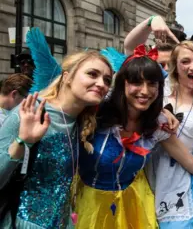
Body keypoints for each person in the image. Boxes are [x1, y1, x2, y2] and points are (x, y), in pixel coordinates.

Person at [74, 45, 193, 228]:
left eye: (152, 84)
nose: (145, 91)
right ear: (123, 84)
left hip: (133, 206)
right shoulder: (96, 112)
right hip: (89, 206)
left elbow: (186, 159)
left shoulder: (157, 124)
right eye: (136, 82)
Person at [0, 50, 113, 228]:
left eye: (107, 80)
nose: (101, 84)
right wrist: (22, 141)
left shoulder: (83, 122)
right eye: (92, 74)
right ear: (67, 77)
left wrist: (164, 113)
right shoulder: (31, 111)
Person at [146, 41, 193, 228]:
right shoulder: (155, 97)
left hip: (186, 182)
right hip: (150, 177)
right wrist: (152, 21)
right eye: (185, 61)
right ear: (175, 66)